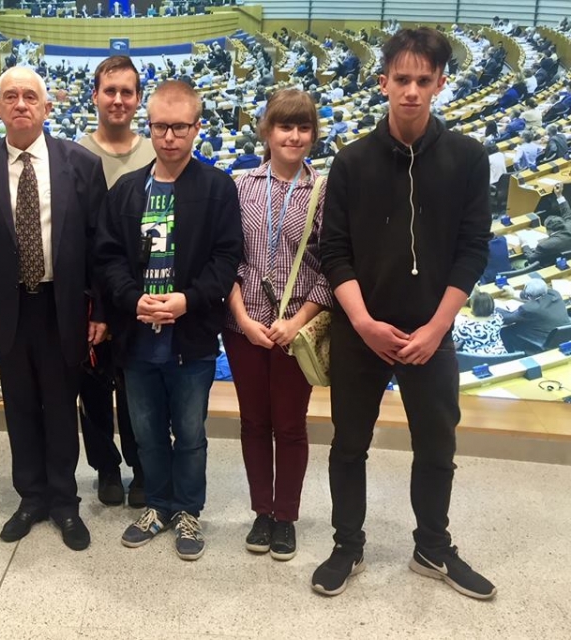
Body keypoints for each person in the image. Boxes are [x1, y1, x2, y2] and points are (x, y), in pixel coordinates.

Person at [317, 28, 495, 599]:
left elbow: (473, 249)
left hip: (431, 331)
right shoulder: (351, 161)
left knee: (438, 447)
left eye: (423, 80)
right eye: (402, 79)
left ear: (440, 83)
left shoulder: (468, 158)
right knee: (349, 444)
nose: (411, 91)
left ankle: (432, 547)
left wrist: (436, 328)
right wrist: (364, 323)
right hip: (360, 330)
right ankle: (347, 544)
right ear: (383, 82)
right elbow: (333, 251)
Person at [0, 67, 108, 551]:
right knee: (19, 408)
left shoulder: (81, 163)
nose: (20, 104)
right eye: (10, 96)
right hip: (8, 310)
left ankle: (64, 501)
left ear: (47, 107)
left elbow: (99, 247)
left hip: (62, 307)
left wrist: (101, 311)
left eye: (30, 96)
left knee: (62, 408)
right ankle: (31, 498)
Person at [94, 80, 243, 561]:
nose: (170, 137)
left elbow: (226, 259)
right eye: (160, 127)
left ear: (197, 128)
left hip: (191, 339)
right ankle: (157, 505)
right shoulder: (126, 190)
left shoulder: (217, 188)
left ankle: (188, 510)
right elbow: (109, 258)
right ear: (150, 126)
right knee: (147, 433)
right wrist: (132, 299)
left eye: (180, 127)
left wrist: (187, 300)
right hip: (138, 339)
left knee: (191, 434)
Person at [223, 88, 332, 560]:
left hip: (296, 330)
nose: (294, 136)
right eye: (285, 126)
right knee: (253, 423)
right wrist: (242, 318)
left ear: (314, 134)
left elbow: (331, 266)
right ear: (267, 131)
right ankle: (261, 512)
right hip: (244, 326)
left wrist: (297, 321)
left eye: (303, 127)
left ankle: (285, 516)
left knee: (289, 426)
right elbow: (226, 257)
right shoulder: (240, 185)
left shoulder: (324, 191)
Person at [77, 55, 154, 507]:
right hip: (90, 294)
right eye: (110, 91)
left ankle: (141, 467)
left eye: (127, 92)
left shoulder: (155, 153)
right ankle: (105, 468)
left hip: (141, 294)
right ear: (95, 96)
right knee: (91, 389)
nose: (118, 100)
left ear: (139, 98)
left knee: (137, 390)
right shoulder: (74, 155)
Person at [498, 279, 570, 354]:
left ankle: (512, 355)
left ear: (529, 296)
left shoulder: (528, 309)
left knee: (505, 331)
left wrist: (494, 306)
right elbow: (534, 299)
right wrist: (513, 294)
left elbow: (506, 319)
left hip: (543, 342)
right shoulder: (555, 294)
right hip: (563, 336)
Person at [452, 290, 507, 355]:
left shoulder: (466, 326)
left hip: (475, 359)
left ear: (473, 307)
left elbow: (455, 346)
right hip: (500, 355)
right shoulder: (498, 318)